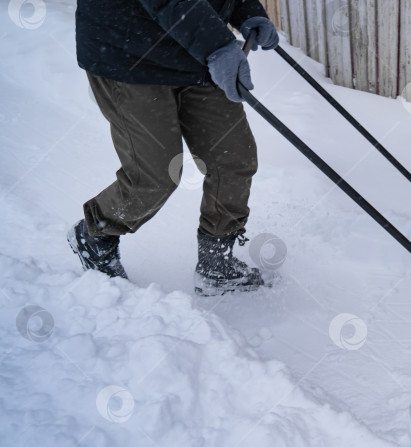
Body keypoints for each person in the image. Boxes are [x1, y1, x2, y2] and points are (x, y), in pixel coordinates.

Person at [68, 0, 279, 296]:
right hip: (130, 55)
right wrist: (216, 45)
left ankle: (216, 263)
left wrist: (247, 11)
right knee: (154, 176)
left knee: (233, 158)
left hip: (195, 48)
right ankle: (96, 232)